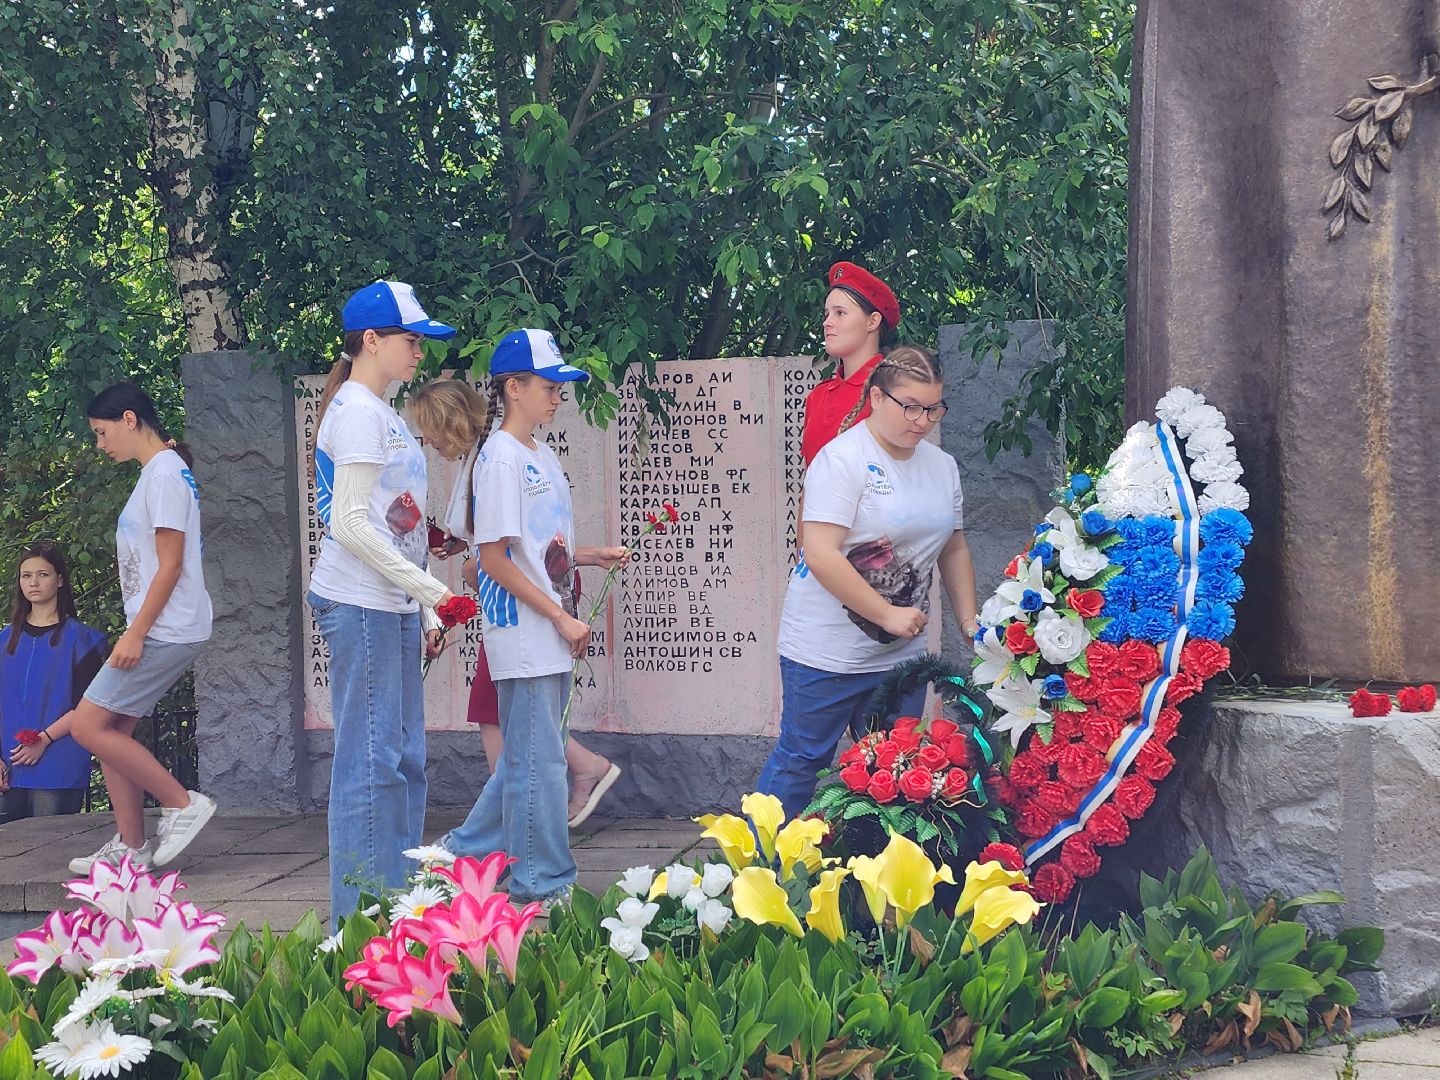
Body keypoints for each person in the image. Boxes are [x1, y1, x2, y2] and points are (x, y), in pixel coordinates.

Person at [437, 329, 628, 908]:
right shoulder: (499, 459)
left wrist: (589, 556)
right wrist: (560, 618)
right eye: (549, 387)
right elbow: (492, 559)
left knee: (529, 758)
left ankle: (461, 858)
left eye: (559, 388)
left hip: (547, 628)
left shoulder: (537, 454)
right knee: (538, 764)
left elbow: (535, 548)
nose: (557, 397)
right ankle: (540, 881)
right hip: (524, 632)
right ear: (513, 388)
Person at [757, 346, 981, 818]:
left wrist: (968, 619)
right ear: (877, 398)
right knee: (803, 760)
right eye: (910, 407)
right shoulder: (842, 460)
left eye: (934, 408)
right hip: (825, 652)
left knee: (894, 770)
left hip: (899, 657)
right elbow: (819, 552)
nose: (922, 421)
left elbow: (953, 546)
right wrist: (885, 614)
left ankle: (872, 864)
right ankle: (759, 859)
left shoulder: (941, 466)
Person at [307, 280, 461, 927]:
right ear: (371, 340)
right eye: (410, 339)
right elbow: (348, 524)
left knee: (403, 763)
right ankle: (360, 928)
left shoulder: (384, 414)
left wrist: (422, 608)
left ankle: (398, 911)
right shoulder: (358, 412)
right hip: (360, 604)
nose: (420, 351)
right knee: (371, 767)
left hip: (390, 606)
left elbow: (397, 527)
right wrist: (432, 593)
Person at [409, 380, 621, 828]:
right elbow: (522, 543)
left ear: (450, 423)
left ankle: (510, 817)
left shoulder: (495, 459)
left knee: (498, 709)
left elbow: (501, 556)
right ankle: (528, 809)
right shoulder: (500, 455)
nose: (427, 441)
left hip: (520, 602)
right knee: (510, 710)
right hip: (527, 597)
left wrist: (474, 566)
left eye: (431, 429)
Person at [62, 384, 218, 872]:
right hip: (166, 625)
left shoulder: (165, 474)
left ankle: (182, 804)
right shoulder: (160, 470)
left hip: (165, 628)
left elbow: (170, 566)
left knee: (87, 725)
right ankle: (132, 847)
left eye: (101, 432)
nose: (100, 444)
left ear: (129, 419)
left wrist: (135, 633)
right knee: (111, 729)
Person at [1, 543, 107, 822]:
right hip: (8, 765)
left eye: (43, 574)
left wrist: (44, 739)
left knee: (47, 843)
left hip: (57, 763)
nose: (33, 582)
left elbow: (89, 705)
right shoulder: (4, 640)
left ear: (59, 580)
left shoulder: (82, 640)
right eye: (26, 575)